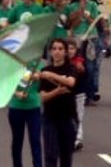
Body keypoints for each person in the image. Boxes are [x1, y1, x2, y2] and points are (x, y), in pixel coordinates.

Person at [40, 38, 77, 167]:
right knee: (51, 155)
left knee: (66, 156)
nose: (57, 52)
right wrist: (57, 92)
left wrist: (52, 75)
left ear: (66, 52)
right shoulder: (45, 71)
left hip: (67, 118)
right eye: (54, 49)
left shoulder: (70, 68)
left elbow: (71, 82)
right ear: (50, 52)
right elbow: (43, 97)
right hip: (50, 118)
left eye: (60, 49)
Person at [7, 59, 43, 167]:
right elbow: (5, 84)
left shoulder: (39, 65)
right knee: (17, 140)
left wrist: (39, 77)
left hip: (34, 108)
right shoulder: (13, 64)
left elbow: (43, 86)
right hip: (16, 107)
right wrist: (16, 93)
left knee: (35, 141)